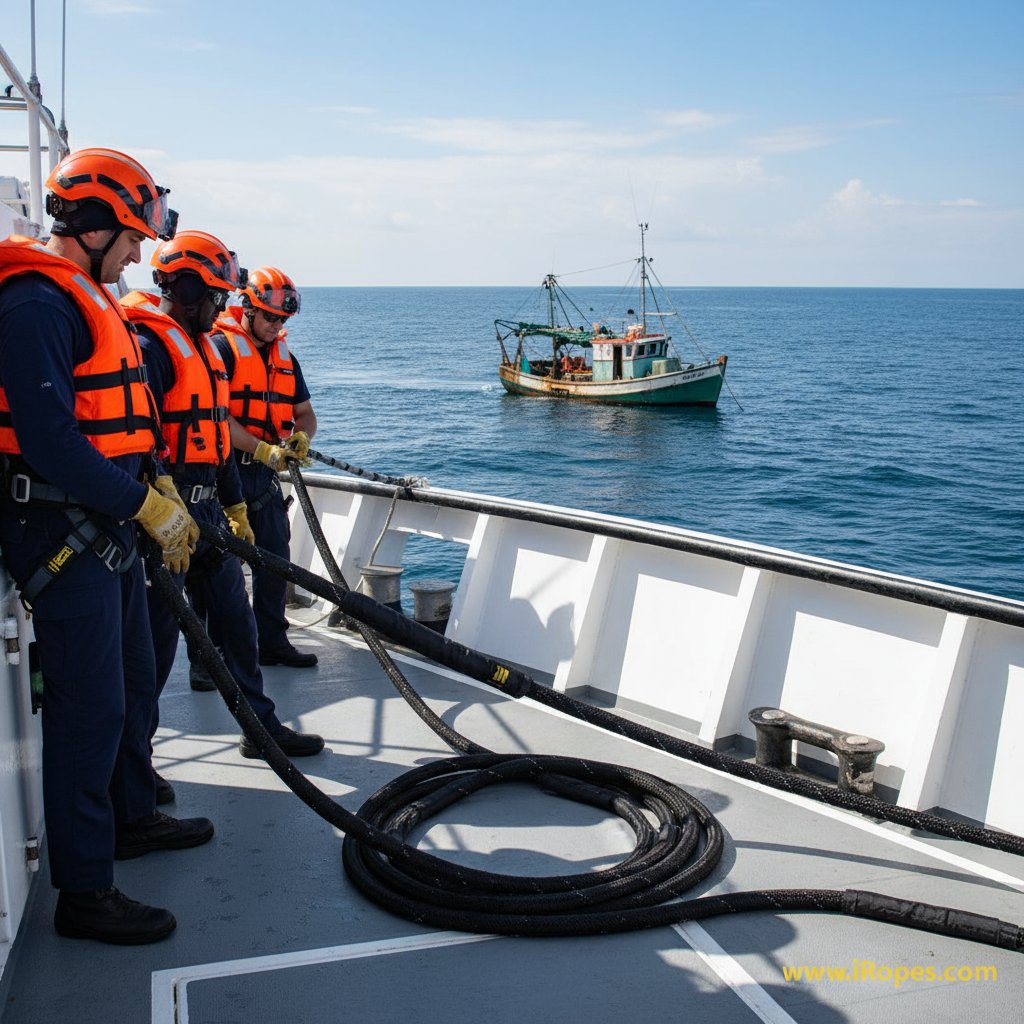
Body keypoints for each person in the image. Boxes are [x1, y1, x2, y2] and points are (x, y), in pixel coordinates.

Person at [0, 148, 214, 945]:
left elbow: (120, 422)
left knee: (127, 684)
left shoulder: (90, 297)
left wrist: (151, 491)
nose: (138, 255)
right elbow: (53, 441)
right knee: (88, 713)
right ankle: (85, 893)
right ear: (91, 228)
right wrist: (146, 508)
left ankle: (128, 816)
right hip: (61, 532)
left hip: (108, 527)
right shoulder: (35, 305)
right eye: (128, 237)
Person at [122, 231, 325, 762]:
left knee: (236, 624)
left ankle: (259, 729)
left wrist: (233, 504)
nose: (222, 307)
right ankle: (135, 773)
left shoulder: (203, 350)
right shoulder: (151, 349)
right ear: (189, 290)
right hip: (164, 519)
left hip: (210, 506)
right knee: (156, 651)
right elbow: (137, 438)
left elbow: (212, 434)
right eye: (216, 296)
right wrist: (155, 503)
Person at [207, 266, 319, 668]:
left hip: (263, 476)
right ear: (248, 309)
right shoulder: (221, 348)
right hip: (223, 472)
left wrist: (301, 438)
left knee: (275, 557)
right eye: (269, 317)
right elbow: (218, 417)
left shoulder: (287, 359)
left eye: (282, 320)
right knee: (217, 566)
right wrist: (262, 450)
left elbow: (305, 413)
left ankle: (271, 641)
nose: (275, 326)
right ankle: (211, 657)